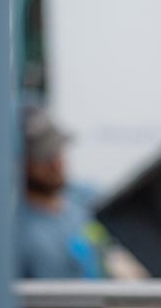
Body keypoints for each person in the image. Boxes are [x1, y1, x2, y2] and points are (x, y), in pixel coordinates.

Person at [17, 108, 104, 279]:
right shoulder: (20, 231)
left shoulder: (86, 198)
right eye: (44, 157)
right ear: (22, 163)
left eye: (57, 151)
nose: (56, 164)